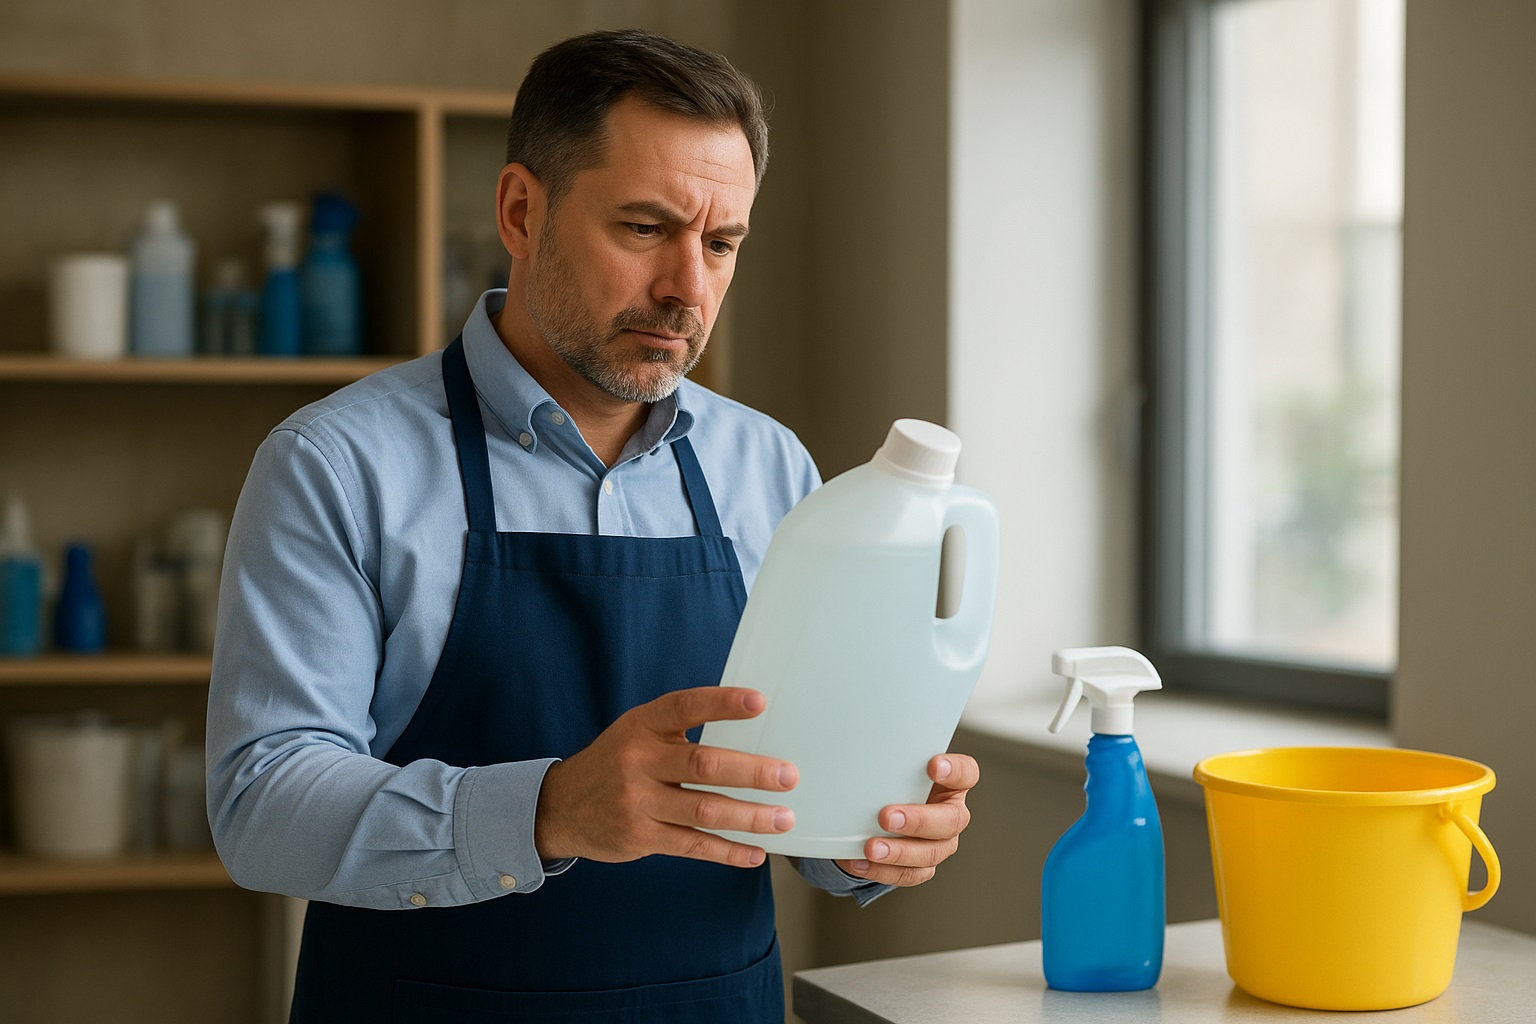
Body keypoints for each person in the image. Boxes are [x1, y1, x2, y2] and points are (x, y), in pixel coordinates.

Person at [206, 28, 980, 1022]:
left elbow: (795, 790)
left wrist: (872, 829)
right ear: (522, 211)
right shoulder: (337, 464)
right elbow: (261, 806)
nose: (687, 287)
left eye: (721, 242)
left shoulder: (771, 467)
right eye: (646, 227)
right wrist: (549, 809)